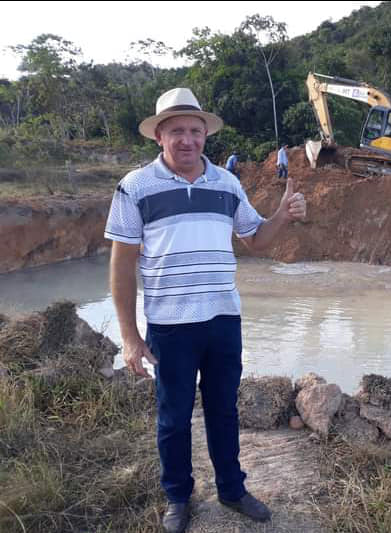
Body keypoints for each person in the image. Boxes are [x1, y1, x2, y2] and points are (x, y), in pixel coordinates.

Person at [104, 87, 306, 533]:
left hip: (223, 320)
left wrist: (283, 216)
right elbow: (121, 264)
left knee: (224, 410)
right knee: (174, 417)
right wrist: (131, 336)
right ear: (159, 135)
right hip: (170, 326)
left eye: (195, 131)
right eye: (177, 131)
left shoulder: (227, 183)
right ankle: (178, 497)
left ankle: (232, 490)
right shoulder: (135, 187)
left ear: (205, 135)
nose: (187, 140)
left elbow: (256, 239)